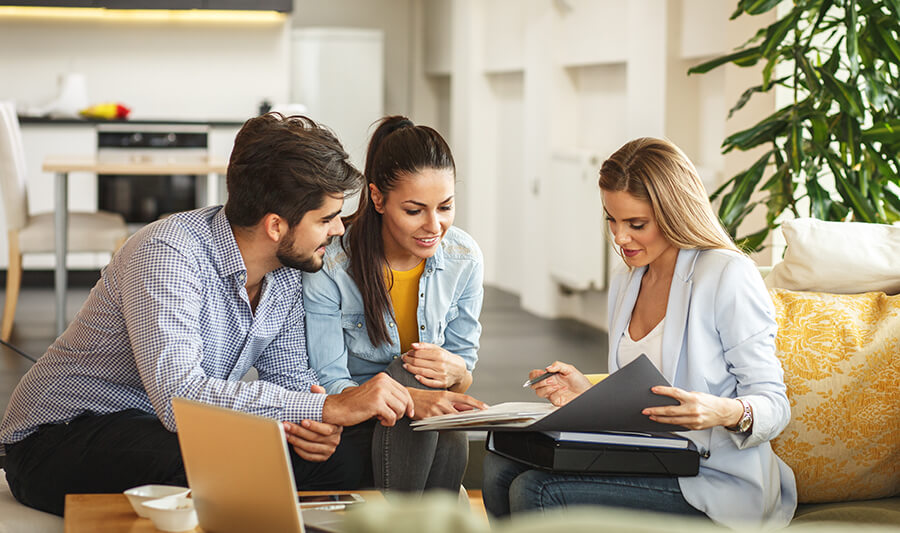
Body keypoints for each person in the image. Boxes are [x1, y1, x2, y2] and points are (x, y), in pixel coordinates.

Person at [0, 113, 415, 516]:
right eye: (326, 219)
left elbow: (291, 382)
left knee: (356, 453)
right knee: (221, 459)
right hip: (58, 437)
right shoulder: (167, 253)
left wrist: (314, 427)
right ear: (275, 226)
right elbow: (179, 398)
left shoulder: (289, 271)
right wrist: (327, 410)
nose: (339, 229)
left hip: (165, 430)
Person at [482, 138, 797, 528]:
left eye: (636, 224)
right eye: (611, 219)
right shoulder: (627, 280)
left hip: (713, 479)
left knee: (537, 489)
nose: (619, 237)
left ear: (674, 213)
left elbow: (775, 406)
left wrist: (722, 411)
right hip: (649, 459)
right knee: (499, 467)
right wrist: (588, 392)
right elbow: (645, 394)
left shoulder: (727, 275)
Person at [303, 115, 487, 493]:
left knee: (440, 406)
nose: (434, 226)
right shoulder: (333, 264)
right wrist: (411, 398)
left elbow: (463, 374)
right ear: (377, 198)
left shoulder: (464, 257)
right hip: (357, 418)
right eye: (415, 210)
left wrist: (455, 372)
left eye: (446, 207)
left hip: (425, 423)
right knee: (406, 374)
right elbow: (329, 380)